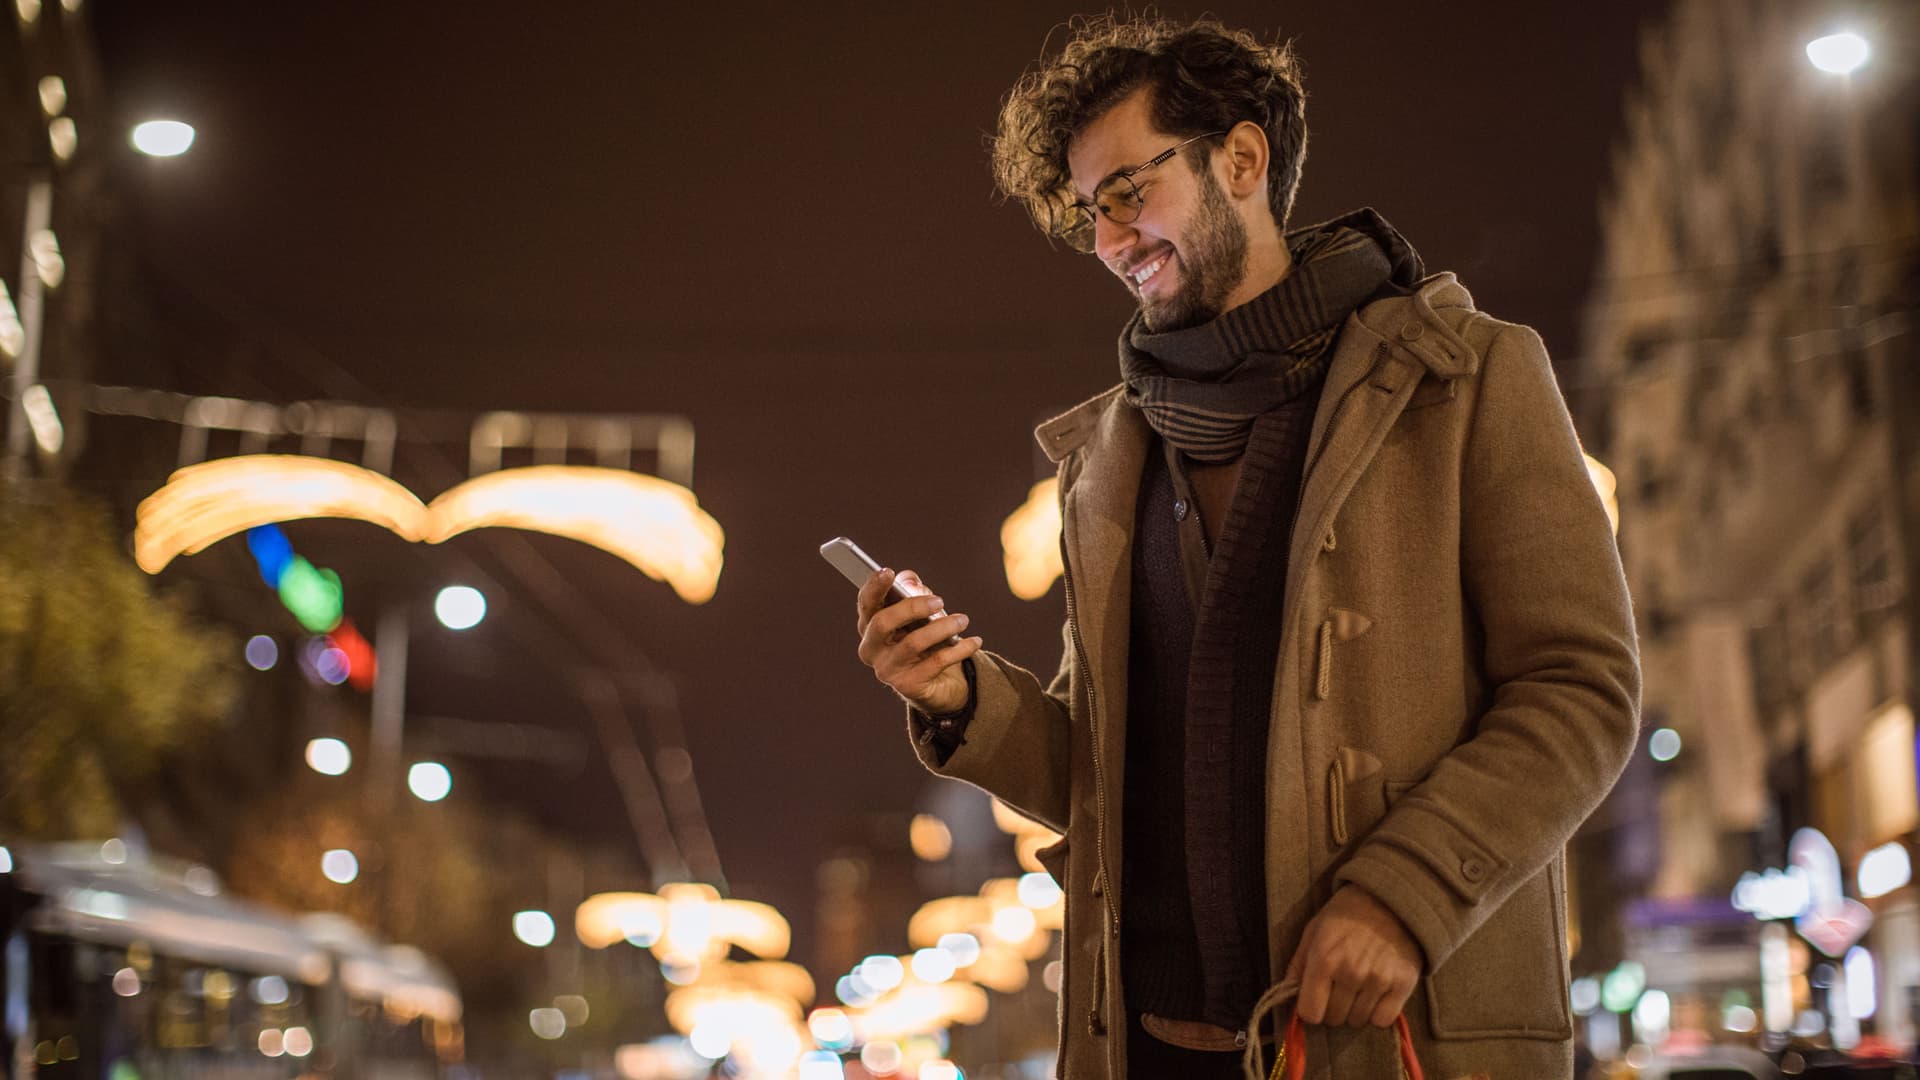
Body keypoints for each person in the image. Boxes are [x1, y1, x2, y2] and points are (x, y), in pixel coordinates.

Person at [851, 15, 1640, 1079]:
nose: (1111, 241)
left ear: (1242, 159)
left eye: (1128, 193)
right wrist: (957, 698)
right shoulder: (1110, 455)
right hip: (1144, 1044)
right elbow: (1104, 768)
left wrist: (1404, 896)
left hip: (1387, 1034)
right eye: (1090, 214)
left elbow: (1580, 687)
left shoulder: (1465, 379)